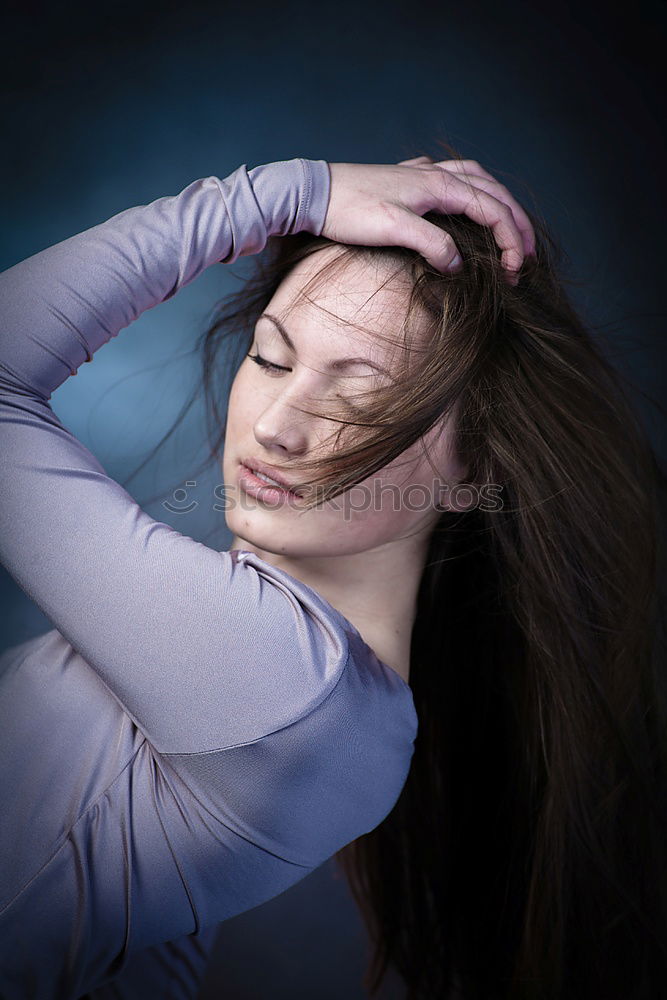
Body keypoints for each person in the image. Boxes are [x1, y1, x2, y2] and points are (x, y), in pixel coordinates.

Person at [0, 146, 664, 1000]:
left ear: (474, 471)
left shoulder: (281, 677)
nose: (277, 426)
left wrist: (283, 195)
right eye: (271, 358)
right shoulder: (342, 709)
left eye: (357, 400)